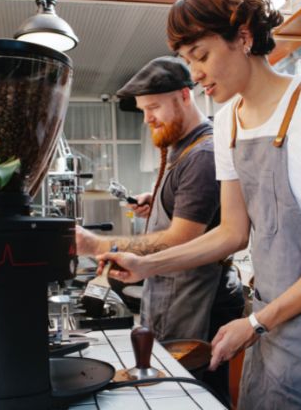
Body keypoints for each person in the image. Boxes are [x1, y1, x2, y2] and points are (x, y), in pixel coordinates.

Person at [97, 0, 301, 409]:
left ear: (243, 38)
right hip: (272, 323)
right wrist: (145, 265)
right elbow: (231, 233)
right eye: (186, 60)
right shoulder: (228, 121)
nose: (194, 74)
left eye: (202, 55)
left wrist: (256, 323)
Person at [76, 56, 244, 401]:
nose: (147, 117)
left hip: (199, 300)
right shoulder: (183, 147)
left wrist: (99, 245)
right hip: (174, 296)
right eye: (142, 110)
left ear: (185, 95)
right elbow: (188, 213)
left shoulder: (203, 154)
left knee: (198, 397)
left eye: (153, 106)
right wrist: (157, 204)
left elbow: (181, 238)